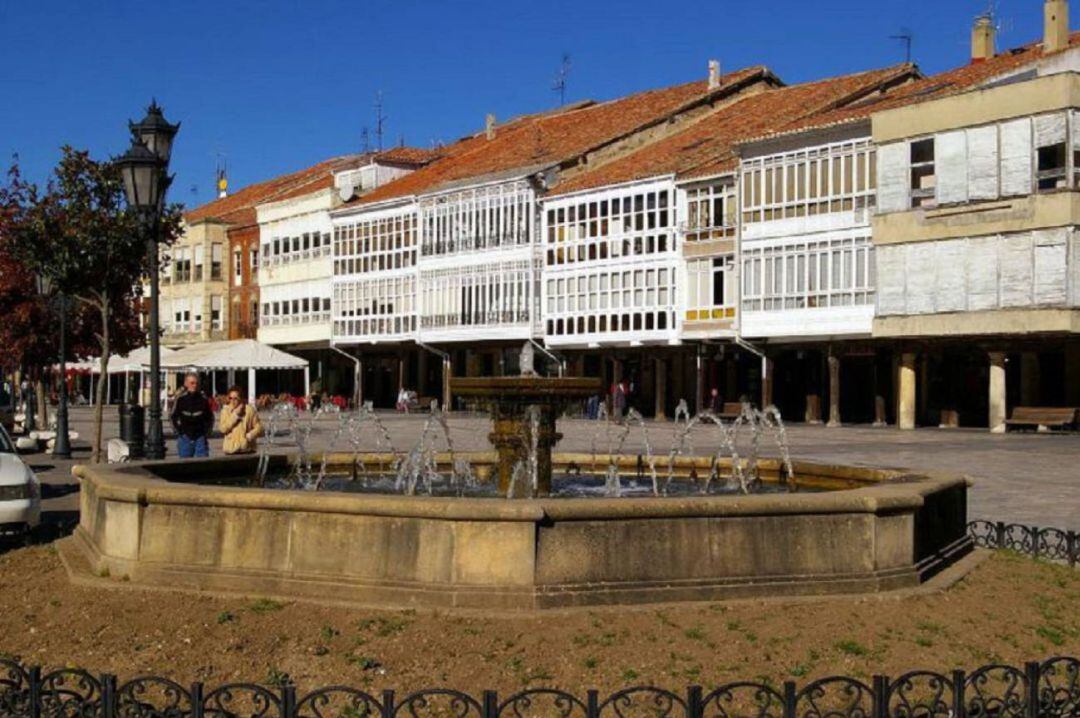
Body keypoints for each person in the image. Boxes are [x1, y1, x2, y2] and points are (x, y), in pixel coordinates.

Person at [170, 373, 213, 458]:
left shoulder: (203, 399)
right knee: (185, 465)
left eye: (196, 383)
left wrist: (206, 432)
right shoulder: (180, 399)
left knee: (203, 463)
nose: (195, 385)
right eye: (192, 383)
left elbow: (210, 417)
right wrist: (179, 431)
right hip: (185, 437)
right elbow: (173, 416)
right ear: (186, 383)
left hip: (200, 437)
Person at [219, 386, 263, 455]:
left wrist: (250, 435)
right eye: (230, 398)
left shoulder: (249, 410)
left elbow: (260, 428)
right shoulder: (225, 411)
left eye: (235, 398)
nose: (232, 401)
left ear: (241, 399)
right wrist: (235, 415)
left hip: (247, 450)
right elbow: (223, 429)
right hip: (231, 450)